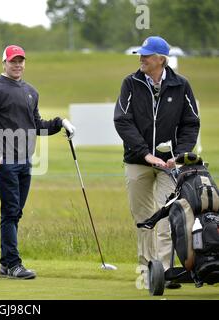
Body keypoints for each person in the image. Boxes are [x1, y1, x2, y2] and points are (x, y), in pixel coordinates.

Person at [0, 45, 76, 279]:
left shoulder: (31, 91)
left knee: (16, 212)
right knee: (10, 211)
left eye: (21, 61)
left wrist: (61, 122)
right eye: (13, 61)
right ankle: (13, 264)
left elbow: (37, 125)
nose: (18, 65)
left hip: (25, 160)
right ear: (4, 63)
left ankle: (5, 263)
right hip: (5, 162)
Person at [114, 36, 200, 289]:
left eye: (146, 55)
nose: (141, 58)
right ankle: (146, 269)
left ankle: (163, 273)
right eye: (140, 54)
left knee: (166, 219)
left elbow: (191, 123)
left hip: (169, 165)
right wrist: (144, 153)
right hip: (137, 161)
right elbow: (122, 120)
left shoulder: (180, 85)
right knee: (143, 219)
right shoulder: (130, 83)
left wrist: (180, 155)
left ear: (161, 59)